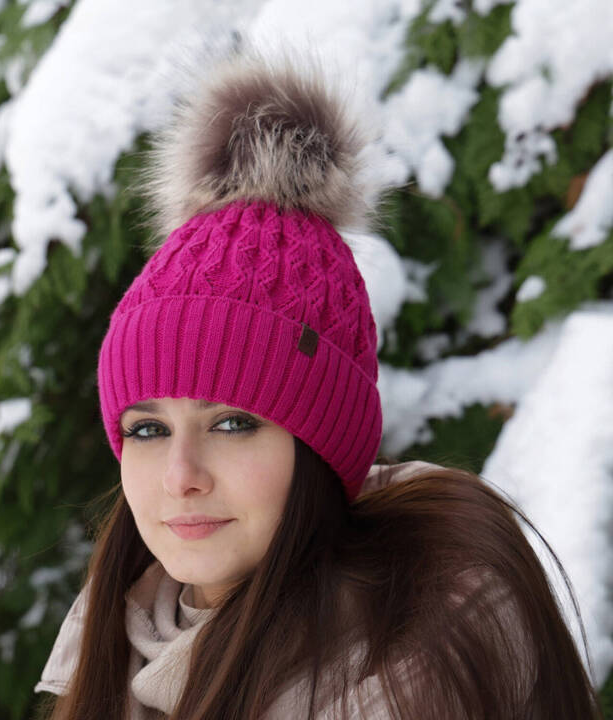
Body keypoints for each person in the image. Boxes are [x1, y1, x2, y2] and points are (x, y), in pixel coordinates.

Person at [32, 42, 604, 720]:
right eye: (148, 429)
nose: (179, 474)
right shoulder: (120, 641)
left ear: (324, 446)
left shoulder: (422, 671)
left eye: (232, 422)